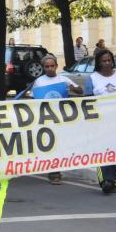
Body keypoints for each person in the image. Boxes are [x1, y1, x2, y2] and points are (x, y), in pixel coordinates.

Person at [30, 54, 82, 184]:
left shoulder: (63, 79)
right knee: (51, 145)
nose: (50, 68)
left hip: (62, 118)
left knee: (60, 145)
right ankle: (54, 173)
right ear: (43, 67)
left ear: (56, 66)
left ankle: (57, 170)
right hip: (46, 118)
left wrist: (74, 88)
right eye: (47, 66)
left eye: (52, 66)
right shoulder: (39, 81)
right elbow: (32, 98)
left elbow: (80, 91)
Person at [84, 49, 116, 194]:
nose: (107, 63)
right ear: (98, 63)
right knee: (102, 151)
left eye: (109, 60)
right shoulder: (92, 79)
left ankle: (112, 181)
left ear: (112, 61)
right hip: (100, 123)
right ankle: (105, 181)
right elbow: (86, 102)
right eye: (103, 61)